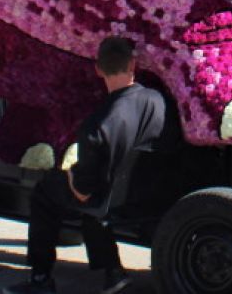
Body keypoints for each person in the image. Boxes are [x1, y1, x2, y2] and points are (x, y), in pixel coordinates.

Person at [10, 35, 177, 294]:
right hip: (151, 192)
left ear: (98, 69)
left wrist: (68, 175)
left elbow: (83, 191)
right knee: (96, 201)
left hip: (114, 199)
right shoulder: (159, 100)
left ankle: (41, 278)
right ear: (133, 65)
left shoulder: (96, 125)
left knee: (45, 192)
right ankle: (112, 273)